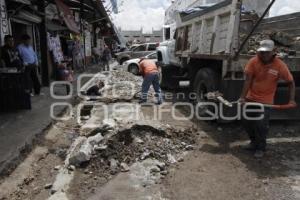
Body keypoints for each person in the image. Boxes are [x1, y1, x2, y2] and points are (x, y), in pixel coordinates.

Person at [239, 40, 296, 158]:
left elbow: (291, 82)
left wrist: (291, 100)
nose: (264, 55)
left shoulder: (279, 65)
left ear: (273, 52)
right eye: (262, 52)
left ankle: (261, 147)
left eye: (267, 53)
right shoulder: (253, 61)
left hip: (266, 101)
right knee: (246, 121)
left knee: (261, 124)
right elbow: (248, 80)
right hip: (251, 97)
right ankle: (253, 142)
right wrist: (242, 98)